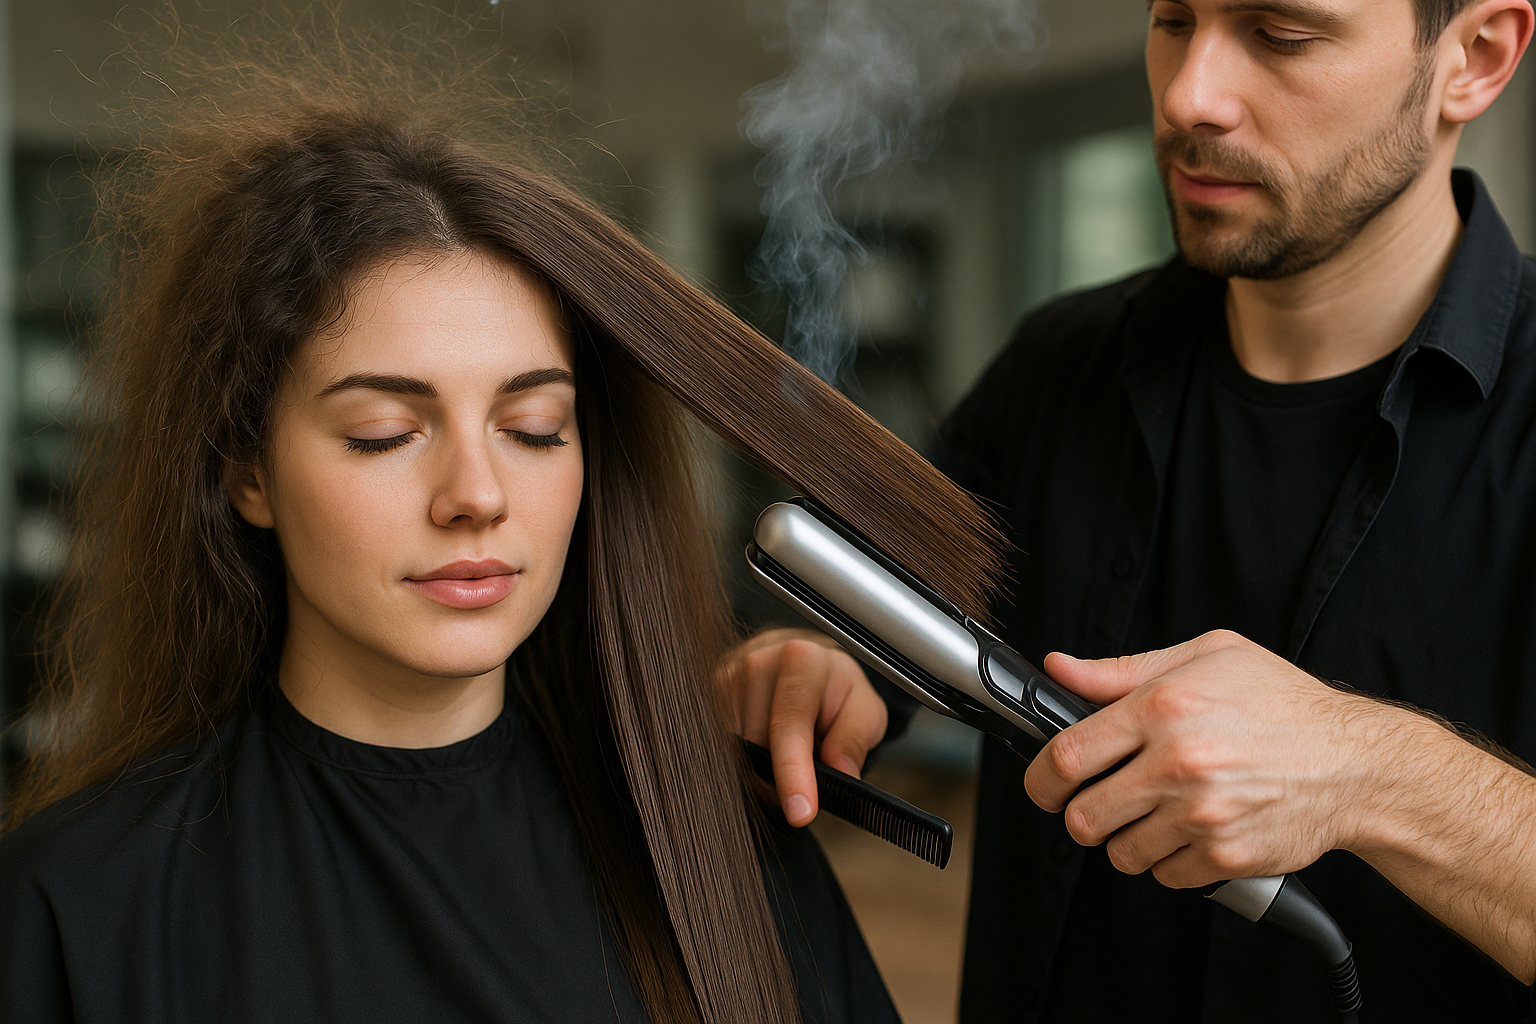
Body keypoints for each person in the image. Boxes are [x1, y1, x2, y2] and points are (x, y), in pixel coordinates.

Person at [0, 50, 1006, 1023]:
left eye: (533, 430)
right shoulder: (79, 904)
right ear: (247, 471)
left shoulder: (709, 847)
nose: (476, 495)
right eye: (384, 434)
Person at [723, 0, 1536, 1019]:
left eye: (1281, 35)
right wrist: (827, 670)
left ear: (1475, 58)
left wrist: (1373, 771)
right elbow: (890, 630)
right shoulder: (1055, 372)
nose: (1191, 95)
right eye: (1172, 20)